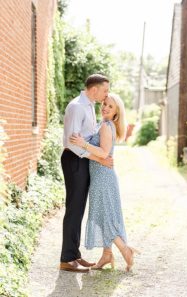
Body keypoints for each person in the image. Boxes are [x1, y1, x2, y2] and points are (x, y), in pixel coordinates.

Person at [70, 93, 139, 271]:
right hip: (101, 176)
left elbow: (103, 152)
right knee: (103, 215)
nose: (106, 108)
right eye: (105, 104)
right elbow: (101, 154)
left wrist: (82, 143)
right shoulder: (103, 125)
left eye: (110, 106)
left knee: (106, 217)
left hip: (103, 178)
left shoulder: (106, 127)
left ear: (116, 113)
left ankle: (125, 250)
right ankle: (107, 255)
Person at [60, 74, 112, 273]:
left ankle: (74, 253)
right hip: (75, 160)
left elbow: (88, 136)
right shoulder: (77, 107)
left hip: (83, 161)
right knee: (74, 208)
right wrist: (98, 158)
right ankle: (67, 259)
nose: (107, 94)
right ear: (94, 89)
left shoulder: (89, 105)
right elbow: (72, 143)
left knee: (79, 208)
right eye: (105, 90)